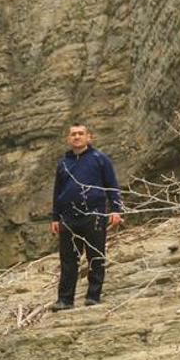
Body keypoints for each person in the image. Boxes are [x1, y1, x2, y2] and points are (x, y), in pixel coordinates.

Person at [50, 123, 123, 309]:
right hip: (68, 217)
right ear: (68, 139)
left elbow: (112, 185)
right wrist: (55, 218)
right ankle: (65, 299)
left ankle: (93, 295)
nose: (77, 137)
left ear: (89, 137)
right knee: (68, 260)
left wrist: (115, 209)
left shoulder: (100, 159)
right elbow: (57, 191)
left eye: (80, 134)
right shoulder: (63, 163)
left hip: (94, 214)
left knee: (95, 256)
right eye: (73, 134)